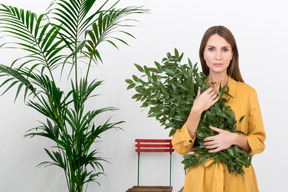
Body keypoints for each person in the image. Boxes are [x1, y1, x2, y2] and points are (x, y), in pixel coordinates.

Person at [172, 25, 266, 192]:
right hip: (201, 181)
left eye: (224, 49)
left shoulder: (248, 93)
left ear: (232, 55)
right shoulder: (189, 92)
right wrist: (196, 110)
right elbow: (181, 148)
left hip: (238, 181)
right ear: (203, 54)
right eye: (211, 49)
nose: (218, 56)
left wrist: (233, 139)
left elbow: (258, 141)